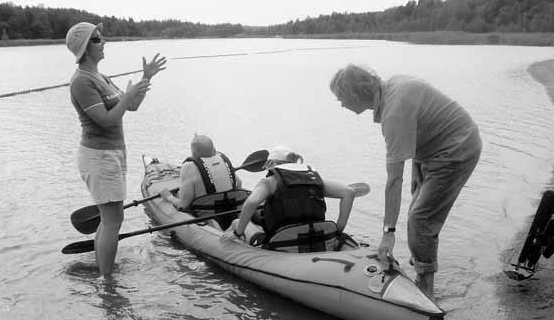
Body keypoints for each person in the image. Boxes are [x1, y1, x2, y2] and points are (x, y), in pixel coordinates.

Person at [329, 64, 482, 298]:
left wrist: (388, 233)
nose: (341, 104)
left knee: (420, 219)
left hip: (456, 149)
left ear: (357, 94)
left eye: (341, 98)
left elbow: (393, 180)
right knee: (417, 213)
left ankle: (426, 288)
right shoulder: (392, 89)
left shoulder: (393, 113)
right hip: (431, 150)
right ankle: (421, 265)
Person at [67, 21, 167, 279]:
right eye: (98, 39)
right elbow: (107, 120)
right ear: (86, 48)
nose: (104, 42)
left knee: (109, 219)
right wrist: (127, 96)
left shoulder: (101, 77)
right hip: (98, 157)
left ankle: (104, 273)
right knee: (113, 221)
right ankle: (108, 283)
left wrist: (146, 79)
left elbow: (131, 106)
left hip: (112, 154)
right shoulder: (81, 82)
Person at [220, 145, 355, 248]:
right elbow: (349, 193)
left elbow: (251, 203)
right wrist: (338, 230)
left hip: (283, 244)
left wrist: (238, 232)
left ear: (272, 164)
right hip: (319, 237)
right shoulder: (315, 179)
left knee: (237, 222)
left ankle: (226, 238)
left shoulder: (269, 182)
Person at [159, 134, 246, 229]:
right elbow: (239, 184)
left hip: (210, 216)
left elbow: (183, 205)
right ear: (214, 149)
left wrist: (169, 197)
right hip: (233, 211)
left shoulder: (189, 167)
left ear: (193, 153)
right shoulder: (222, 161)